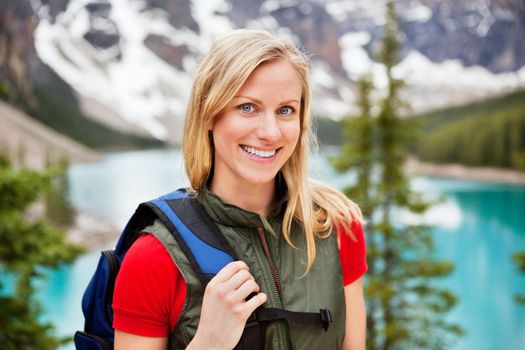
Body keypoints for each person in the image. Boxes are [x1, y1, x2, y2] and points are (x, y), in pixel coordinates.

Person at [112, 29, 367, 350]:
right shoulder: (153, 258)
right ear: (209, 113)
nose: (270, 132)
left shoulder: (336, 226)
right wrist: (209, 342)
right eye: (247, 107)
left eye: (286, 110)